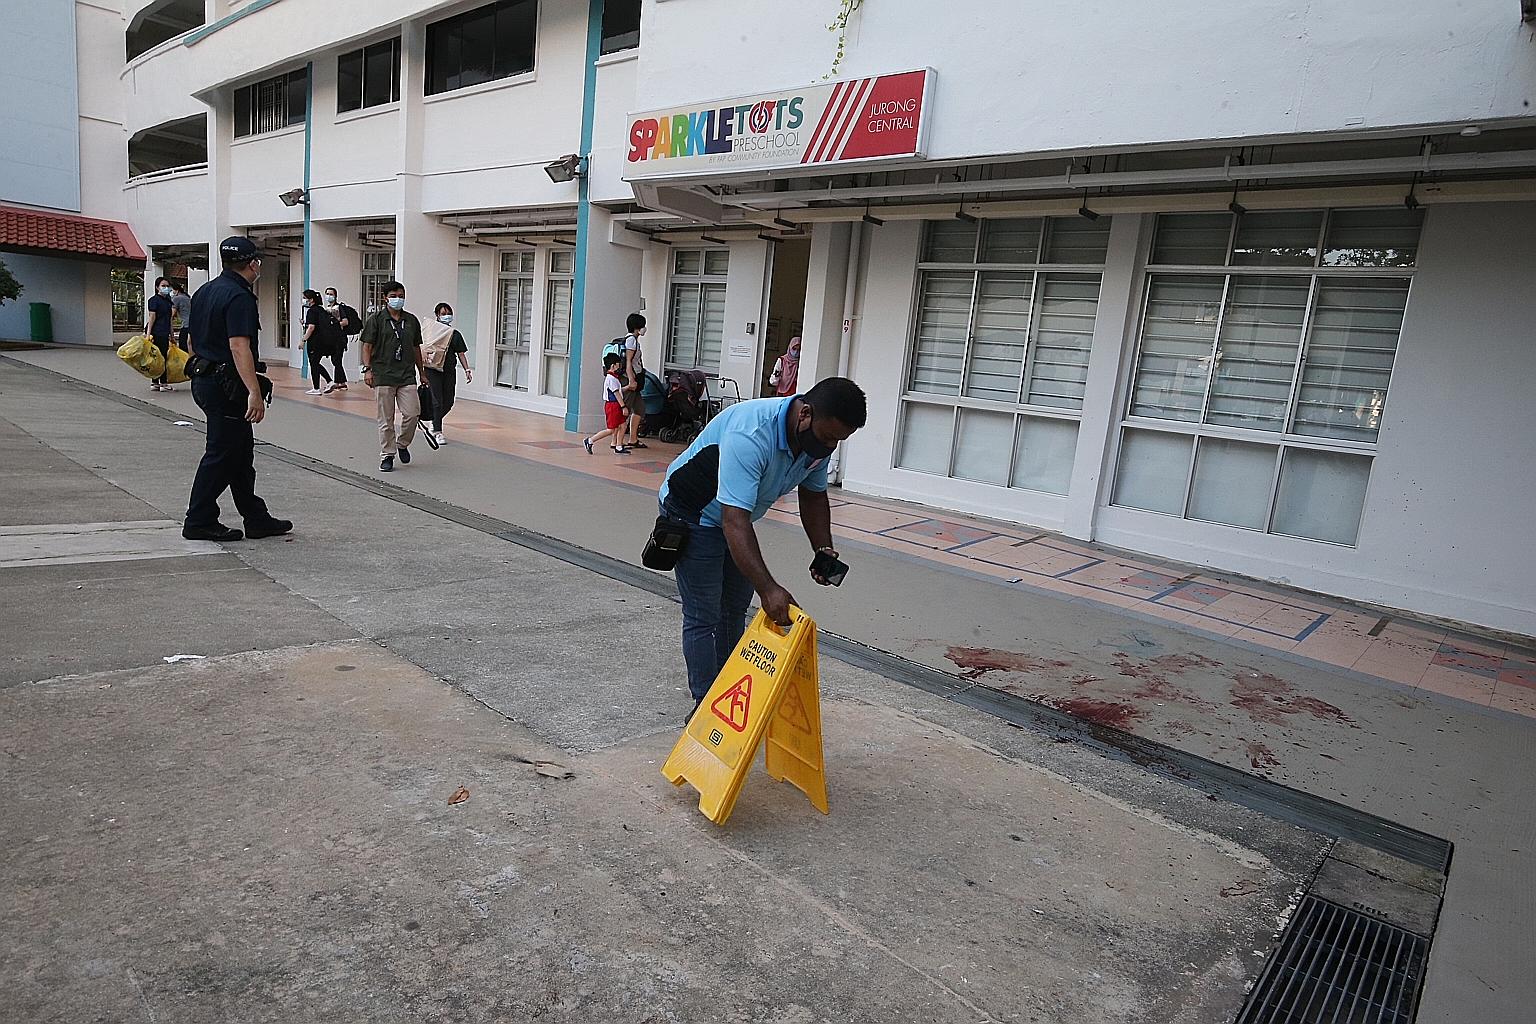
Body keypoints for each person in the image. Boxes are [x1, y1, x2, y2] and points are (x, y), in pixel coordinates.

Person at [657, 376, 866, 708]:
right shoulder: (751, 433)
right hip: (693, 512)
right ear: (805, 414)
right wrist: (768, 588)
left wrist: (822, 548)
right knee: (704, 614)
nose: (829, 448)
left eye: (839, 441)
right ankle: (705, 707)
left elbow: (813, 496)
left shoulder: (817, 441)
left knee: (734, 610)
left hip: (735, 519)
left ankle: (728, 694)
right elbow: (733, 521)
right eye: (828, 438)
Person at [181, 237, 291, 542]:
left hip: (205, 377)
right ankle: (199, 519)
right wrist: (254, 392)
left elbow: (189, 340)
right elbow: (239, 345)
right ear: (253, 263)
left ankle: (256, 518)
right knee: (221, 454)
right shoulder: (239, 296)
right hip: (227, 385)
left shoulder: (205, 291)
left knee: (240, 454)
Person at [359, 280, 427, 472]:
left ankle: (402, 443)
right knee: (386, 419)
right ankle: (387, 455)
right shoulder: (377, 320)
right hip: (383, 374)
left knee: (412, 413)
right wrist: (368, 369)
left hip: (406, 375)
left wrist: (422, 373)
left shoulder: (411, 320)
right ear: (385, 298)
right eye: (394, 296)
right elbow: (367, 346)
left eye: (401, 295)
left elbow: (416, 347)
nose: (398, 299)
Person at [422, 302, 472, 445]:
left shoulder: (454, 334)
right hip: (432, 370)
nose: (446, 316)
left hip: (449, 369)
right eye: (443, 313)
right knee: (436, 401)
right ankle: (437, 431)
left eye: (448, 313)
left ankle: (434, 421)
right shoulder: (430, 332)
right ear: (437, 315)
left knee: (448, 401)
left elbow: (461, 353)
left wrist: (467, 370)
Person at [582, 353, 632, 455]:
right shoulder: (611, 379)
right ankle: (590, 440)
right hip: (613, 406)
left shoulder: (613, 378)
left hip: (615, 405)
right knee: (611, 429)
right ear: (613, 365)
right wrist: (623, 407)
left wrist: (627, 388)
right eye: (618, 364)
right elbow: (616, 393)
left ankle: (619, 446)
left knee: (623, 425)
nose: (619, 366)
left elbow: (618, 390)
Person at [299, 289, 340, 395]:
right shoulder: (321, 310)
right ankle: (329, 381)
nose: (303, 300)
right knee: (315, 363)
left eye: (305, 298)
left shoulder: (312, 311)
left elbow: (311, 327)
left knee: (313, 363)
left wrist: (303, 340)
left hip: (315, 342)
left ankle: (317, 388)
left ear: (311, 300)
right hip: (324, 342)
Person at [621, 312, 648, 449]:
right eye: (643, 326)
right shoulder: (631, 341)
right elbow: (628, 362)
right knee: (624, 410)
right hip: (630, 379)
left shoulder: (632, 340)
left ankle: (633, 439)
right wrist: (631, 380)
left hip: (635, 378)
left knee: (639, 409)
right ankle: (617, 441)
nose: (644, 328)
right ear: (637, 327)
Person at [322, 287, 359, 388]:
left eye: (331, 294)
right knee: (335, 360)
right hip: (332, 339)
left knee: (337, 360)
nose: (329, 296)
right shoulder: (327, 309)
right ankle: (341, 382)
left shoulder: (339, 308)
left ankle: (339, 382)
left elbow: (345, 321)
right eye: (327, 294)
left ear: (335, 296)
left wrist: (335, 325)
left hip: (340, 339)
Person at [145, 277, 174, 392]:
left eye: (167, 286)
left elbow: (170, 320)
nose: (166, 288)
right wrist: (148, 334)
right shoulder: (154, 300)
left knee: (159, 357)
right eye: (163, 286)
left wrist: (172, 336)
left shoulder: (168, 301)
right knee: (159, 358)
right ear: (157, 287)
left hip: (164, 332)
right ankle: (162, 382)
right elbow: (152, 318)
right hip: (157, 333)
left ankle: (156, 382)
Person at [170, 282, 192, 356]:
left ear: (176, 290)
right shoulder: (187, 297)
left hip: (185, 325)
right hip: (192, 324)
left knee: (183, 347)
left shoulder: (176, 298)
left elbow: (172, 314)